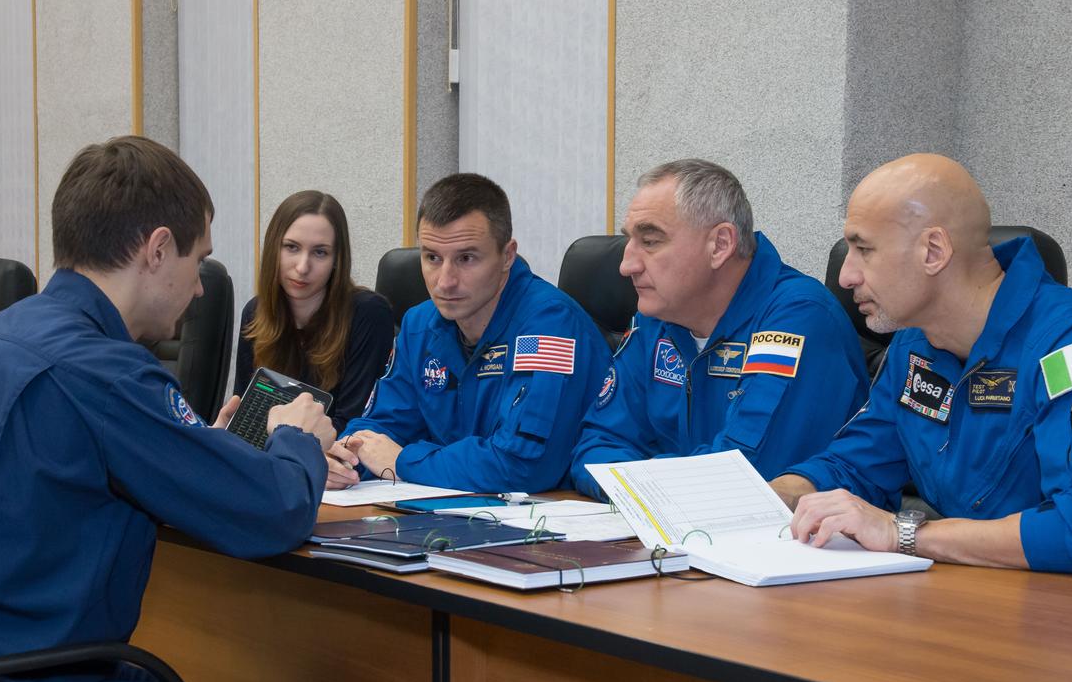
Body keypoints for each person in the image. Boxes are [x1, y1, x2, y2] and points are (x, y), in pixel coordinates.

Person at [0, 136, 335, 682]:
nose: (201, 285)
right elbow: (276, 510)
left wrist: (199, 443)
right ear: (156, 250)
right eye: (197, 259)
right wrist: (297, 436)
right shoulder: (104, 371)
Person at [772, 153, 1072, 578]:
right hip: (992, 594)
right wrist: (774, 497)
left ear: (933, 251)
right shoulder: (916, 346)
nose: (845, 277)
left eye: (863, 249)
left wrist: (903, 534)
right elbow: (855, 466)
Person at [569, 159, 868, 499]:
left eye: (650, 241)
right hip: (676, 533)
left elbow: (743, 473)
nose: (627, 265)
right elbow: (596, 446)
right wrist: (651, 489)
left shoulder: (798, 319)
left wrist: (641, 479)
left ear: (720, 245)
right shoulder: (658, 317)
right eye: (630, 241)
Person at [327, 173, 610, 492]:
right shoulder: (419, 325)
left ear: (507, 256)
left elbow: (523, 466)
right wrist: (343, 459)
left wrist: (405, 461)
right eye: (432, 257)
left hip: (544, 525)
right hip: (447, 514)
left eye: (466, 258)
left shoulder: (550, 324)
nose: (444, 281)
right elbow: (380, 428)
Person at [236, 190, 395, 433]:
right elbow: (244, 417)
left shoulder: (368, 314)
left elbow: (352, 426)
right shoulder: (255, 313)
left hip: (333, 460)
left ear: (336, 260)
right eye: (291, 247)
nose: (302, 267)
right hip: (269, 458)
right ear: (272, 250)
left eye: (320, 252)